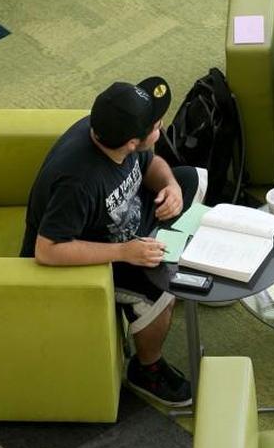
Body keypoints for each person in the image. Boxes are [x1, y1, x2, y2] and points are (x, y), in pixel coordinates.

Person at [20, 77, 202, 408]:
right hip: (90, 256)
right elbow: (47, 250)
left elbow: (152, 165)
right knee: (159, 291)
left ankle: (193, 269)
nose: (161, 128)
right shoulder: (79, 182)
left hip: (124, 227)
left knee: (191, 180)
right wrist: (125, 252)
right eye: (157, 126)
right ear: (133, 140)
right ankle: (147, 368)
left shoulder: (111, 135)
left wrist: (170, 187)